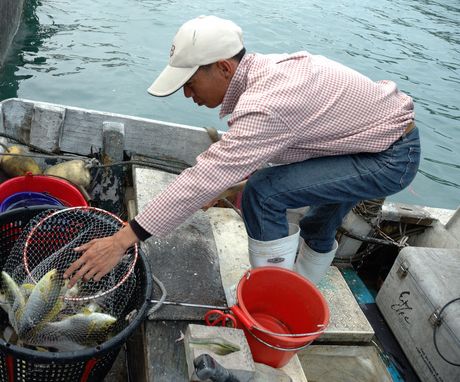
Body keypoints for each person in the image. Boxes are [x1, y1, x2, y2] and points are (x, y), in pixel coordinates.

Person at [63, 15, 420, 287]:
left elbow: (204, 177)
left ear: (223, 67)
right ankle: (299, 288)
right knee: (315, 224)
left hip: (388, 157)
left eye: (190, 83)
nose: (188, 94)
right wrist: (223, 180)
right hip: (371, 138)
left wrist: (121, 241)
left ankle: (272, 296)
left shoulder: (267, 103)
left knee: (263, 194)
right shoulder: (266, 72)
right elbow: (276, 139)